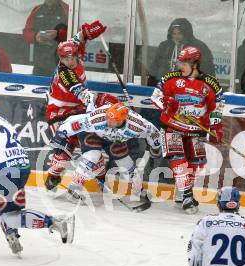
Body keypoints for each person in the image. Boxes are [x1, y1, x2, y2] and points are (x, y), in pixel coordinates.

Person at [0, 98, 75, 256]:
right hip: (20, 167)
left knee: (10, 217)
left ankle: (57, 222)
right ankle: (11, 234)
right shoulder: (3, 122)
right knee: (1, 203)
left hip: (8, 170)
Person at [151, 46, 224, 214]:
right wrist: (166, 104)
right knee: (179, 161)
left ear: (195, 64)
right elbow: (155, 96)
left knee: (197, 164)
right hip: (172, 127)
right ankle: (187, 195)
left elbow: (217, 106)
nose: (181, 66)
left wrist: (216, 126)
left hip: (196, 130)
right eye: (180, 62)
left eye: (185, 63)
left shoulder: (210, 83)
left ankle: (181, 193)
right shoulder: (170, 78)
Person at [50, 102, 161, 205]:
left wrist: (156, 146)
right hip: (92, 133)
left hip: (115, 139)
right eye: (108, 117)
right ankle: (74, 189)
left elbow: (152, 131)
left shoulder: (137, 125)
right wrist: (60, 135)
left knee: (127, 164)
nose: (108, 121)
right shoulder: (98, 118)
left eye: (113, 120)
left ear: (122, 120)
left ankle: (138, 191)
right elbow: (74, 122)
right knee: (93, 156)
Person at [43, 21, 109, 191]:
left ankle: (101, 177)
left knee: (92, 144)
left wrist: (85, 33)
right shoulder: (65, 74)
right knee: (67, 146)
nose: (69, 61)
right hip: (59, 113)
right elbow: (81, 92)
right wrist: (95, 101)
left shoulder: (74, 48)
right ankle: (53, 175)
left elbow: (79, 38)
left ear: (76, 53)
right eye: (65, 58)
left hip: (79, 110)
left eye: (71, 57)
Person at [147, 18, 215, 87]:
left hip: (190, 91)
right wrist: (151, 88)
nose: (176, 36)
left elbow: (207, 71)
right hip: (166, 88)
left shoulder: (199, 47)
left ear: (186, 33)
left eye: (179, 33)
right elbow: (154, 68)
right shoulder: (164, 47)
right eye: (174, 34)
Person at [23, 0, 69, 76]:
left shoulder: (67, 9)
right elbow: (26, 32)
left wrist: (58, 34)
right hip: (40, 64)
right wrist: (35, 36)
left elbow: (75, 33)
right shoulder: (37, 9)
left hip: (62, 63)